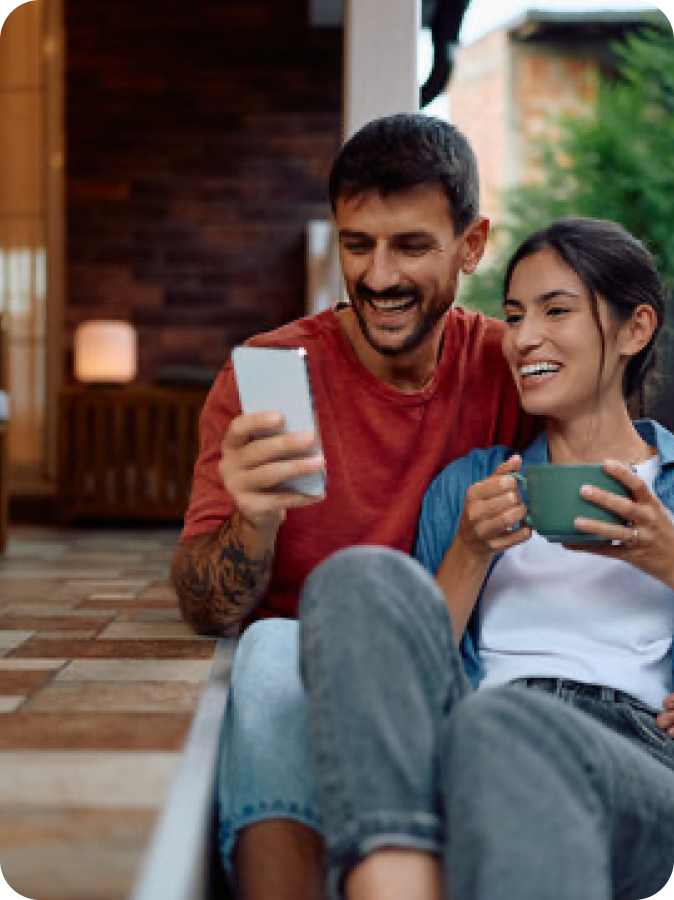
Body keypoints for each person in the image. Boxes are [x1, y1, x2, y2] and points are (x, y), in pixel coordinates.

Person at [171, 112, 538, 899]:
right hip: (304, 679)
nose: (377, 277)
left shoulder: (511, 372)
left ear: (471, 246)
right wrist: (254, 518)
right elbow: (205, 606)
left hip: (452, 675)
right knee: (269, 648)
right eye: (356, 244)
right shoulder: (267, 374)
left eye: (410, 246)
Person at [299, 216, 674, 900]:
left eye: (555, 310)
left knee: (507, 726)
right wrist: (469, 551)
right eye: (513, 315)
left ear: (634, 329)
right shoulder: (469, 487)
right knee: (357, 577)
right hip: (469, 739)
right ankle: (396, 877)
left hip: (636, 761)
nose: (522, 338)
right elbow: (410, 677)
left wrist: (667, 555)